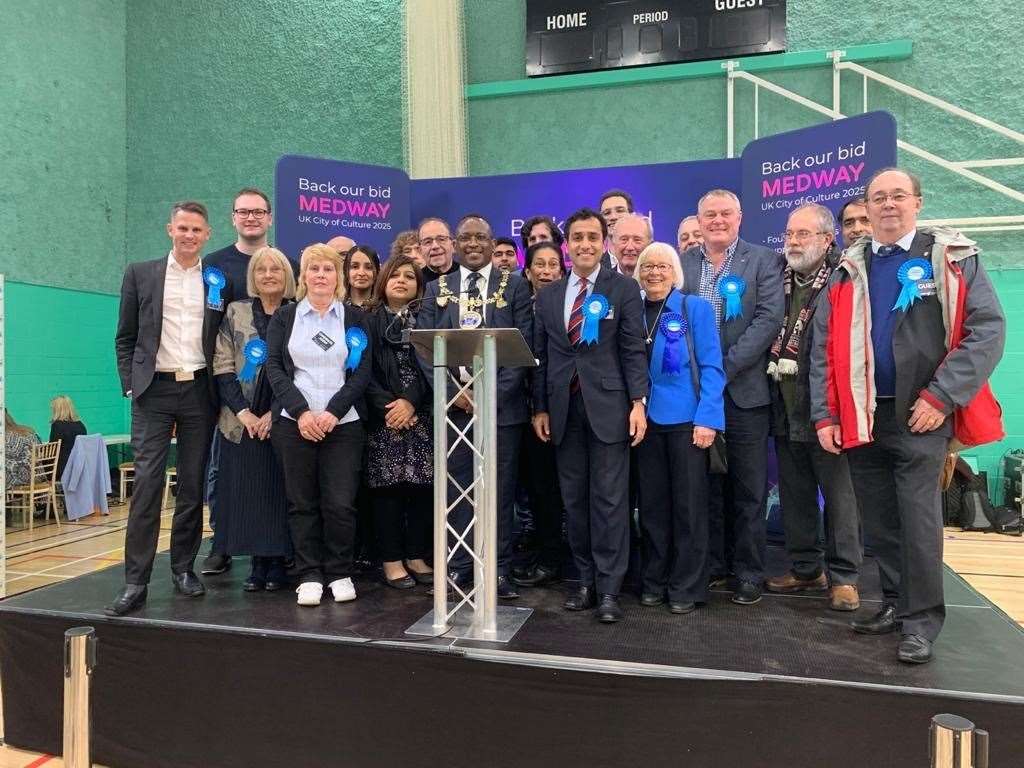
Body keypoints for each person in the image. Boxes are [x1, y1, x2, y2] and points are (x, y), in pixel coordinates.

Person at [811, 168, 1006, 664]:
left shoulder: (951, 259)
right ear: (868, 209)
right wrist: (825, 414)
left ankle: (921, 623)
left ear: (918, 203)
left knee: (919, 521)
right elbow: (823, 349)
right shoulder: (847, 269)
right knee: (880, 521)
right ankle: (896, 605)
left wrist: (941, 396)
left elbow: (986, 331)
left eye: (899, 196)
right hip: (862, 415)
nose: (888, 205)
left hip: (922, 414)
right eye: (879, 198)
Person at [532, 207, 648, 623]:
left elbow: (634, 350)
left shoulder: (623, 290)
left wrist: (638, 403)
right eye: (577, 237)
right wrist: (540, 407)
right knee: (575, 501)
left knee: (610, 501)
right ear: (567, 245)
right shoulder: (548, 296)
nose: (584, 244)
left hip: (611, 410)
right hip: (563, 412)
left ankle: (610, 589)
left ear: (605, 243)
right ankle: (582, 581)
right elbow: (541, 358)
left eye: (592, 237)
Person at [108, 200, 222, 616]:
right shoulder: (141, 273)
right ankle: (135, 582)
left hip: (198, 392)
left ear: (207, 234)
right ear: (169, 229)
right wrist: (129, 384)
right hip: (152, 391)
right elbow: (125, 336)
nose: (189, 235)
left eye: (197, 230)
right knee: (148, 485)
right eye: (182, 228)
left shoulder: (216, 279)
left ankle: (182, 568)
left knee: (192, 486)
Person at [418, 213, 533, 599]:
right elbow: (423, 348)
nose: (472, 244)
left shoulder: (513, 286)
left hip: (502, 410)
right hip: (454, 411)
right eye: (464, 237)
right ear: (454, 242)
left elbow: (522, 347)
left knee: (499, 492)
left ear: (491, 241)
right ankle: (460, 567)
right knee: (458, 489)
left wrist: (489, 396)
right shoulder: (438, 288)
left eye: (480, 237)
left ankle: (498, 570)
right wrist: (454, 392)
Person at [680, 189, 784, 606]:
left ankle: (748, 571)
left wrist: (721, 369)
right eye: (710, 214)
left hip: (744, 394)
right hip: (696, 399)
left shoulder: (762, 260)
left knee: (748, 488)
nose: (717, 220)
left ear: (739, 218)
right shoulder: (683, 263)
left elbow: (768, 319)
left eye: (725, 213)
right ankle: (715, 564)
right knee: (704, 488)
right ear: (699, 220)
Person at [765, 205, 862, 611]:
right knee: (795, 493)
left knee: (840, 497)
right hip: (783, 404)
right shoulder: (776, 277)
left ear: (827, 239)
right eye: (789, 233)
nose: (793, 241)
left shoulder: (845, 276)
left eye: (803, 234)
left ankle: (845, 578)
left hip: (827, 406)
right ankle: (806, 569)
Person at [265, 243, 372, 606]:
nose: (321, 275)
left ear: (337, 276)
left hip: (344, 424)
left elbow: (362, 373)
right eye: (314, 269)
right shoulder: (286, 317)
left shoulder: (355, 318)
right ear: (304, 276)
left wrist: (332, 413)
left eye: (328, 269)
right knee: (302, 503)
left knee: (340, 503)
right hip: (295, 424)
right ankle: (309, 574)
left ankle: (340, 572)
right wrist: (302, 413)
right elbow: (274, 369)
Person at [633, 243, 724, 614]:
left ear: (675, 272)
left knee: (689, 508)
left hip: (688, 421)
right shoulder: (632, 311)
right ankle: (654, 580)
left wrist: (708, 418)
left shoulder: (695, 308)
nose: (655, 272)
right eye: (648, 266)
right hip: (644, 423)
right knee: (652, 507)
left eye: (663, 266)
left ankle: (686, 586)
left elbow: (713, 366)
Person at [202, 187, 284, 577]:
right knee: (224, 475)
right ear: (233, 217)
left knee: (270, 481)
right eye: (243, 212)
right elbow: (211, 330)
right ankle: (223, 544)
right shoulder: (214, 264)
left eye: (258, 212)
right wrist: (233, 401)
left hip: (278, 402)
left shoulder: (289, 268)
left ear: (269, 217)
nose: (251, 218)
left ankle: (273, 551)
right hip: (230, 388)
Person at [211, 246, 295, 592]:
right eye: (261, 270)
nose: (268, 275)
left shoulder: (297, 313)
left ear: (287, 275)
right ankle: (257, 564)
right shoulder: (235, 311)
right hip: (241, 420)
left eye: (276, 269)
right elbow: (223, 363)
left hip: (283, 417)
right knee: (248, 494)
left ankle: (278, 562)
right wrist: (244, 413)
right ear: (253, 277)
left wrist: (274, 414)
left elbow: (299, 369)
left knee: (279, 492)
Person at [364, 255, 434, 588]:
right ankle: (391, 560)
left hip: (420, 415)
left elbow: (434, 367)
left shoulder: (427, 319)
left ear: (420, 286)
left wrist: (411, 403)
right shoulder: (366, 320)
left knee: (422, 489)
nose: (402, 281)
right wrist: (390, 408)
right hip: (384, 419)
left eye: (410, 276)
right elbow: (361, 372)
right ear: (383, 281)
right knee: (387, 492)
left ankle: (416, 555)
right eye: (395, 275)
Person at [513, 242, 568, 587]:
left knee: (553, 491)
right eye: (539, 265)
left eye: (553, 265)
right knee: (533, 489)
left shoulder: (570, 305)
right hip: (519, 410)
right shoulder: (515, 305)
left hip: (555, 410)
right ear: (528, 271)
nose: (546, 271)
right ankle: (539, 555)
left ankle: (555, 559)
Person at [49, 395, 87, 481]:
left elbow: (53, 449)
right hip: (79, 467)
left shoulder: (57, 425)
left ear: (57, 410)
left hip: (63, 469)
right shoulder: (80, 425)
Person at [4, 410, 41, 491]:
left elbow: (12, 454)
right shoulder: (29, 431)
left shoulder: (5, 437)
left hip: (20, 479)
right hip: (38, 475)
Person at [599, 189, 633, 270]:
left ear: (632, 215)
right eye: (607, 213)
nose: (613, 217)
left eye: (620, 211)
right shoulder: (595, 268)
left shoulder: (649, 259)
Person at [418, 217, 460, 283]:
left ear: (453, 245)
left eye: (441, 239)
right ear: (420, 251)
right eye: (428, 242)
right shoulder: (415, 281)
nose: (435, 246)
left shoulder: (468, 275)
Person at [610, 213, 652, 278]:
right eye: (624, 239)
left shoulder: (660, 283)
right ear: (613, 243)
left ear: (649, 245)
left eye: (637, 240)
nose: (630, 247)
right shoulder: (599, 283)